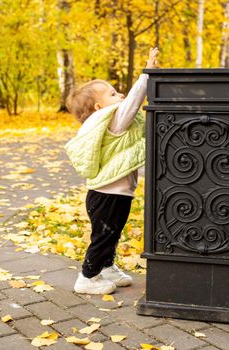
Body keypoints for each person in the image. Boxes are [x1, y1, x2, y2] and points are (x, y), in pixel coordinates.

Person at [65, 48, 158, 294]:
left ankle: (105, 268)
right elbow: (132, 103)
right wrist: (146, 74)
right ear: (99, 106)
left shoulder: (106, 124)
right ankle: (87, 277)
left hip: (111, 194)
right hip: (108, 195)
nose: (121, 95)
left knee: (112, 234)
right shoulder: (113, 121)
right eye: (114, 93)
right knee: (104, 237)